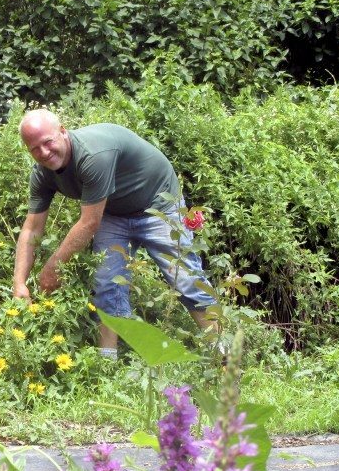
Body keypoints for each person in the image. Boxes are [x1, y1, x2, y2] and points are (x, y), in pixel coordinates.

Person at [12, 109, 217, 358]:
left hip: (158, 202)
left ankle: (224, 355)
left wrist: (52, 268)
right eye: (35, 148)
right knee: (107, 284)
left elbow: (89, 223)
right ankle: (107, 363)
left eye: (48, 142)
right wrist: (19, 283)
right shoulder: (42, 174)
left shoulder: (93, 155)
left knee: (184, 278)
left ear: (63, 131)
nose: (44, 152)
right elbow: (32, 228)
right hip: (112, 211)